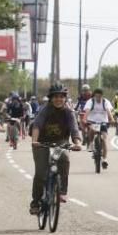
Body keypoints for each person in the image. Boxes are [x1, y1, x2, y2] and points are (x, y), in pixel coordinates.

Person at [29, 83, 82, 215]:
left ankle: (62, 191)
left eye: (61, 97)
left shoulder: (69, 112)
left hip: (60, 142)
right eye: (56, 97)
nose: (59, 99)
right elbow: (37, 125)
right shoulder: (45, 110)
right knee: (41, 173)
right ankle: (35, 202)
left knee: (64, 158)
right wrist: (34, 141)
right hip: (41, 142)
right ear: (51, 98)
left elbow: (74, 129)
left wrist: (78, 142)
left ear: (65, 98)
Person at [83, 87, 114, 168]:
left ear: (102, 96)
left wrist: (112, 119)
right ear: (94, 96)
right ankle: (91, 144)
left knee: (104, 139)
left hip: (103, 122)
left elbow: (108, 111)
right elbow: (87, 111)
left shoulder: (105, 102)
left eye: (99, 97)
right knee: (91, 130)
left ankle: (104, 160)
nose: (98, 98)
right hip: (92, 121)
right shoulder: (90, 101)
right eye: (96, 97)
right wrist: (84, 119)